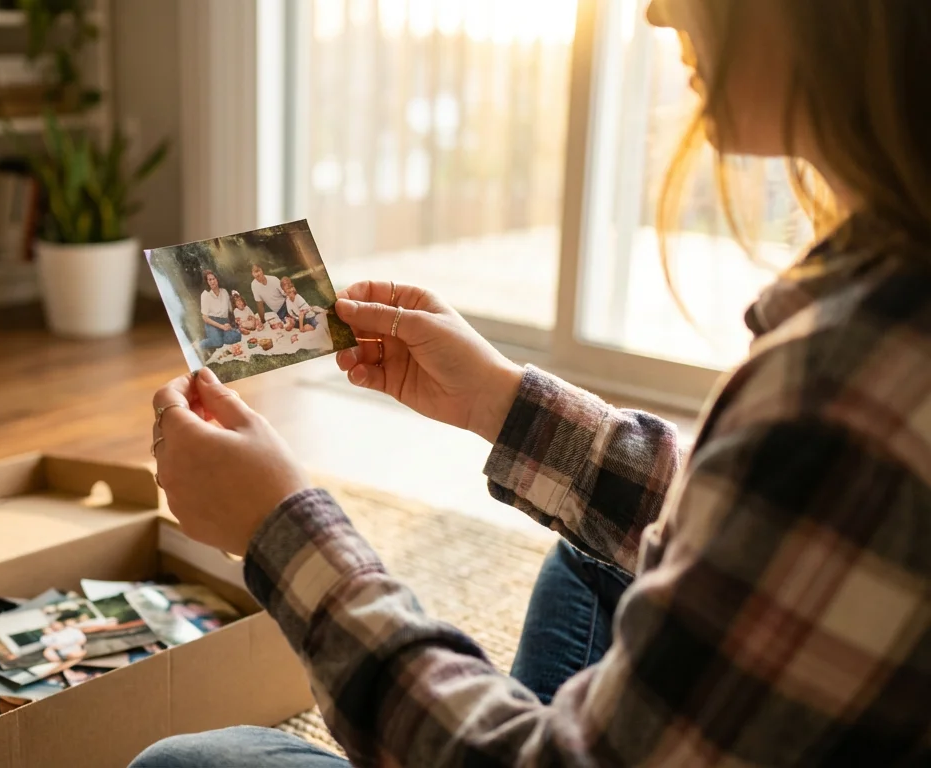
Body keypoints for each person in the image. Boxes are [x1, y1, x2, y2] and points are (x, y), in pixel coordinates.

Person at [136, 0, 931, 765]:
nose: (659, 11)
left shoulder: (841, 396)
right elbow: (749, 519)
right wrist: (501, 400)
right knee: (594, 560)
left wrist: (279, 528)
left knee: (187, 764)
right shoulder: (884, 303)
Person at [198, 270, 241, 350]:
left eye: (213, 279)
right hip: (212, 322)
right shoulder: (205, 295)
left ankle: (220, 336)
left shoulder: (224, 292)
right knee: (218, 343)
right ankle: (198, 344)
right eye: (209, 280)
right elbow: (205, 318)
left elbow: (230, 311)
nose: (212, 282)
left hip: (224, 321)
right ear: (207, 282)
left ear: (217, 279)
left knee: (237, 336)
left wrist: (233, 322)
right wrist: (221, 326)